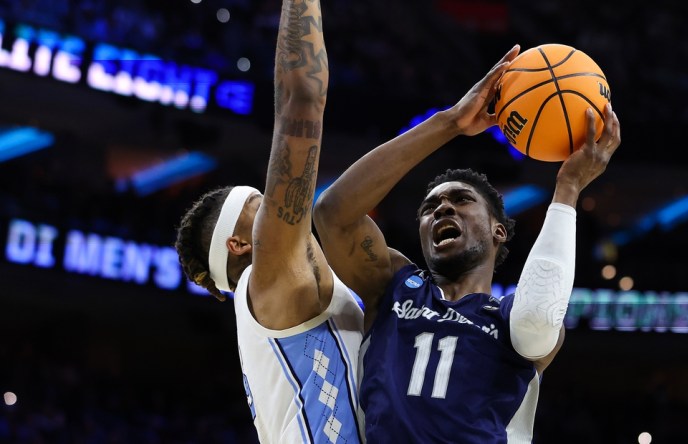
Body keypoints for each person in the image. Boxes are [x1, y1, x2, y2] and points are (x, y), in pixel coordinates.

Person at [313, 44, 621, 443]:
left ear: (498, 231)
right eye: (430, 207)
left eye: (460, 200)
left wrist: (569, 188)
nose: (442, 209)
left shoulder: (511, 318)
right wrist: (450, 122)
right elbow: (332, 214)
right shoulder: (393, 285)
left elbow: (540, 318)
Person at [174, 0, 365, 442]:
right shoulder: (266, 281)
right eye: (261, 206)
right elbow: (304, 99)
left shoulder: (280, 302)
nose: (282, 209)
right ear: (240, 244)